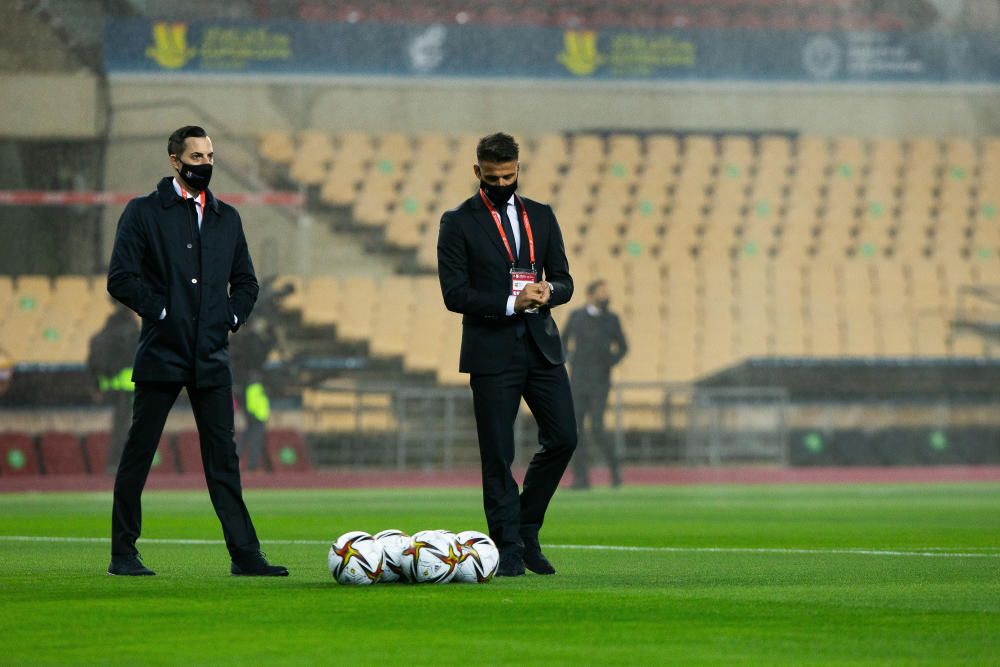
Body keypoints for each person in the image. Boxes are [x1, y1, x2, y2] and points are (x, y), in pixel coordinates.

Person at [105, 125, 287, 577]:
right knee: (139, 453)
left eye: (210, 156)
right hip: (162, 353)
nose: (205, 164)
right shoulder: (144, 213)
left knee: (223, 459)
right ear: (174, 160)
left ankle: (245, 556)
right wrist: (162, 310)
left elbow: (246, 282)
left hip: (211, 356)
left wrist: (230, 317)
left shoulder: (228, 218)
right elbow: (121, 278)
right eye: (197, 157)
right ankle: (123, 554)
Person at [437, 132, 577, 577]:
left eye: (509, 176)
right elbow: (454, 293)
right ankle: (508, 547)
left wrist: (548, 291)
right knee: (497, 454)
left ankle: (526, 526)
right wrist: (508, 301)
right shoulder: (457, 222)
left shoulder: (541, 215)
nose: (502, 183)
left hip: (540, 345)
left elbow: (565, 280)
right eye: (493, 176)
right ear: (477, 171)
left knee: (564, 438)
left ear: (519, 170)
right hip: (491, 350)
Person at [562, 279, 629, 489]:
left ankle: (615, 471)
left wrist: (611, 361)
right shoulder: (576, 317)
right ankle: (581, 479)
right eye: (601, 292)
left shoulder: (612, 319)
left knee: (598, 427)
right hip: (578, 382)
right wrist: (569, 358)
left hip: (600, 383)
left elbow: (623, 347)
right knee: (577, 431)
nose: (606, 296)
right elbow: (562, 341)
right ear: (590, 295)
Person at [87, 302, 140, 474]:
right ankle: (121, 463)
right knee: (125, 428)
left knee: (118, 428)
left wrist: (96, 385)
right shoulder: (132, 332)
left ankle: (112, 464)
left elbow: (93, 361)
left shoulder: (102, 335)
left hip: (106, 387)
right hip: (129, 387)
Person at [231, 316, 276, 471]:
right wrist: (271, 334)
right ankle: (251, 462)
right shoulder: (252, 340)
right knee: (257, 424)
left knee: (251, 425)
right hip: (253, 387)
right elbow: (261, 355)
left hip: (239, 386)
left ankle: (237, 458)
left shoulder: (235, 340)